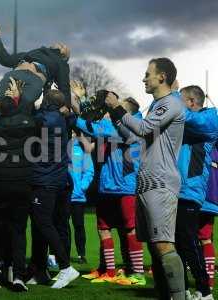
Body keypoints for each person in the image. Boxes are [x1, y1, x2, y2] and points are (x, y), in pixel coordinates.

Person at [105, 57, 186, 299]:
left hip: (160, 182)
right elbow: (138, 135)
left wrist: (118, 106)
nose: (144, 78)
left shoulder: (171, 103)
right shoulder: (159, 105)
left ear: (162, 77)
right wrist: (116, 114)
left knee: (163, 244)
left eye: (148, 74)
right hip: (148, 181)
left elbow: (143, 128)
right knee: (154, 245)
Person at [76, 96, 145, 286]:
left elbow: (97, 128)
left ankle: (138, 273)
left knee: (130, 229)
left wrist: (74, 118)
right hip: (107, 186)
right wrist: (80, 106)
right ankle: (109, 271)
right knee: (103, 228)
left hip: (125, 187)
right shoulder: (110, 128)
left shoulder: (131, 127)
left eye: (115, 109)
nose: (109, 112)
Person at [0, 78, 38, 292]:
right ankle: (19, 275)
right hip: (22, 182)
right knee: (19, 229)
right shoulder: (29, 122)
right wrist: (19, 97)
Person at [27, 89, 79, 289]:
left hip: (44, 179)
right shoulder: (64, 119)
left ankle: (65, 267)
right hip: (59, 180)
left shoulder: (43, 118)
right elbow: (74, 118)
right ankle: (40, 271)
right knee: (48, 225)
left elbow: (30, 117)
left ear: (46, 101)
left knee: (42, 223)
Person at [176, 85, 218, 299]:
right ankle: (183, 289)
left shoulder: (210, 119)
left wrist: (169, 94)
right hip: (176, 190)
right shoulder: (184, 122)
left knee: (190, 240)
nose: (176, 104)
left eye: (180, 100)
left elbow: (194, 120)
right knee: (178, 243)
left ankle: (204, 291)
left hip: (190, 190)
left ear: (191, 102)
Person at [0, 19, 71, 111]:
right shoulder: (31, 54)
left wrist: (66, 105)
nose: (63, 45)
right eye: (62, 45)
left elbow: (64, 85)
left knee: (22, 106)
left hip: (34, 80)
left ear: (64, 56)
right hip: (14, 76)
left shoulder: (61, 62)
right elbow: (6, 60)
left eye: (64, 48)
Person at [68, 131, 94, 264]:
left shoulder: (83, 149)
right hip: (63, 196)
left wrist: (81, 187)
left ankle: (81, 254)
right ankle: (60, 254)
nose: (73, 134)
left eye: (75, 132)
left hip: (77, 196)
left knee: (79, 226)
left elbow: (89, 171)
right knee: (61, 226)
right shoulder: (61, 146)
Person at [198, 147, 218, 292]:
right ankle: (208, 283)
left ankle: (207, 284)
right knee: (205, 239)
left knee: (183, 238)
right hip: (211, 197)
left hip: (199, 197)